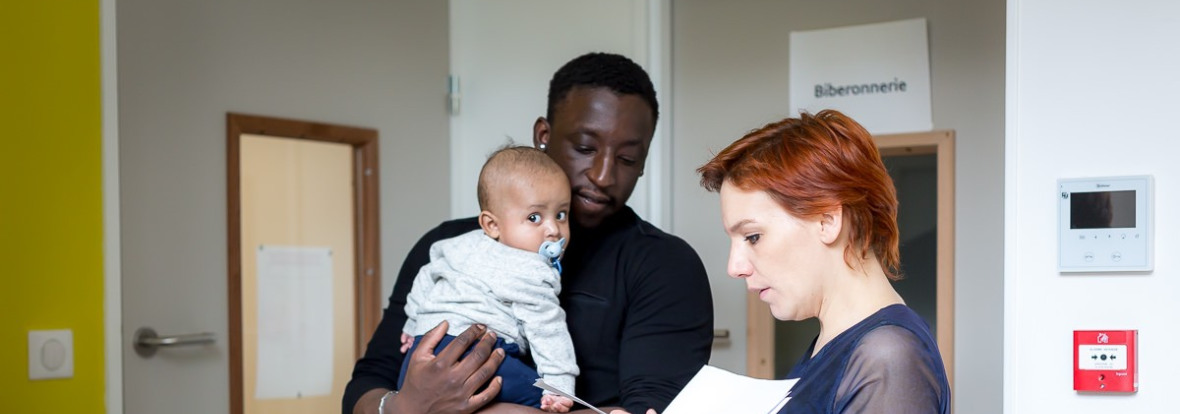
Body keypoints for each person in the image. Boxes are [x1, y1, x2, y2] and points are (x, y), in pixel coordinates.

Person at [343, 52, 714, 414]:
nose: (603, 176)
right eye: (585, 148)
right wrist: (403, 406)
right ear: (543, 135)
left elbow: (654, 407)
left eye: (627, 159)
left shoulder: (666, 266)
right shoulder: (447, 246)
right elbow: (367, 384)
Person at [693, 110, 951, 413]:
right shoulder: (834, 347)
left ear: (827, 221)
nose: (734, 267)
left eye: (752, 237)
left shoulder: (886, 357)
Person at [398, 146, 578, 412]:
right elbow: (547, 330)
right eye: (534, 217)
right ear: (492, 225)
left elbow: (427, 276)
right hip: (473, 353)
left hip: (420, 356)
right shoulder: (532, 269)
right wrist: (560, 387)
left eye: (561, 214)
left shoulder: (456, 245)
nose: (553, 230)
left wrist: (411, 325)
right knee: (542, 396)